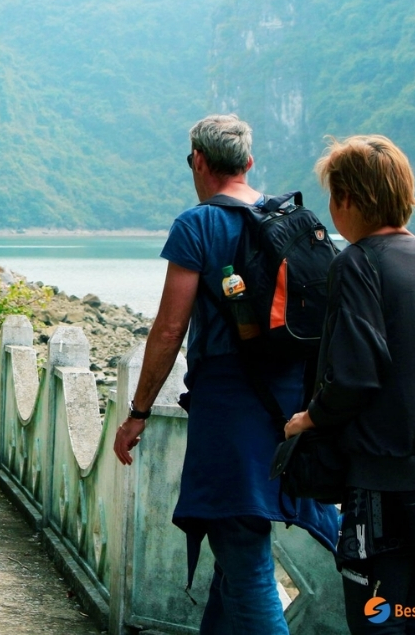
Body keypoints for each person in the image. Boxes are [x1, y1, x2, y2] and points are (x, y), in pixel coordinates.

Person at [112, 114, 338, 634]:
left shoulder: (197, 225)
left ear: (198, 160)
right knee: (234, 546)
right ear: (250, 162)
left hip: (230, 410)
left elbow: (170, 330)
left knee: (243, 550)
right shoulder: (287, 220)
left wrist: (138, 412)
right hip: (290, 407)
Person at [284, 135, 415, 634]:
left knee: (375, 621)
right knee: (414, 618)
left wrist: (308, 418)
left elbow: (356, 376)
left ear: (348, 200)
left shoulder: (359, 263)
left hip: (386, 484)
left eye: (333, 196)